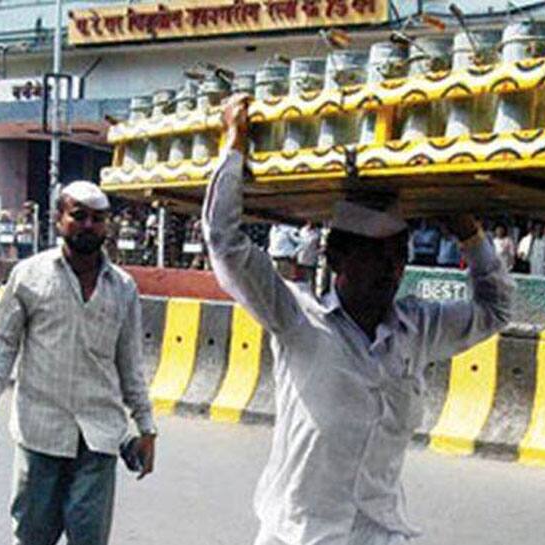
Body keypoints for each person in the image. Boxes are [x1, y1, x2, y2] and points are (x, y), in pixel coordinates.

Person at [204, 93, 515, 545]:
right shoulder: (297, 320)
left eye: (399, 256)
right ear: (338, 258)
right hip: (300, 536)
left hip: (380, 535)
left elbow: (497, 309)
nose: (392, 269)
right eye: (377, 256)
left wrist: (470, 236)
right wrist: (234, 146)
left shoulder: (417, 329)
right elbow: (224, 243)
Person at [0, 181, 157, 545]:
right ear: (58, 220)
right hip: (41, 434)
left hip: (99, 438)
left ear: (107, 226)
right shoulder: (29, 275)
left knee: (89, 540)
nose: (88, 225)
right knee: (33, 537)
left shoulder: (123, 288)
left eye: (98, 219)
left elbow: (130, 363)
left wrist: (146, 427)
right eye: (78, 216)